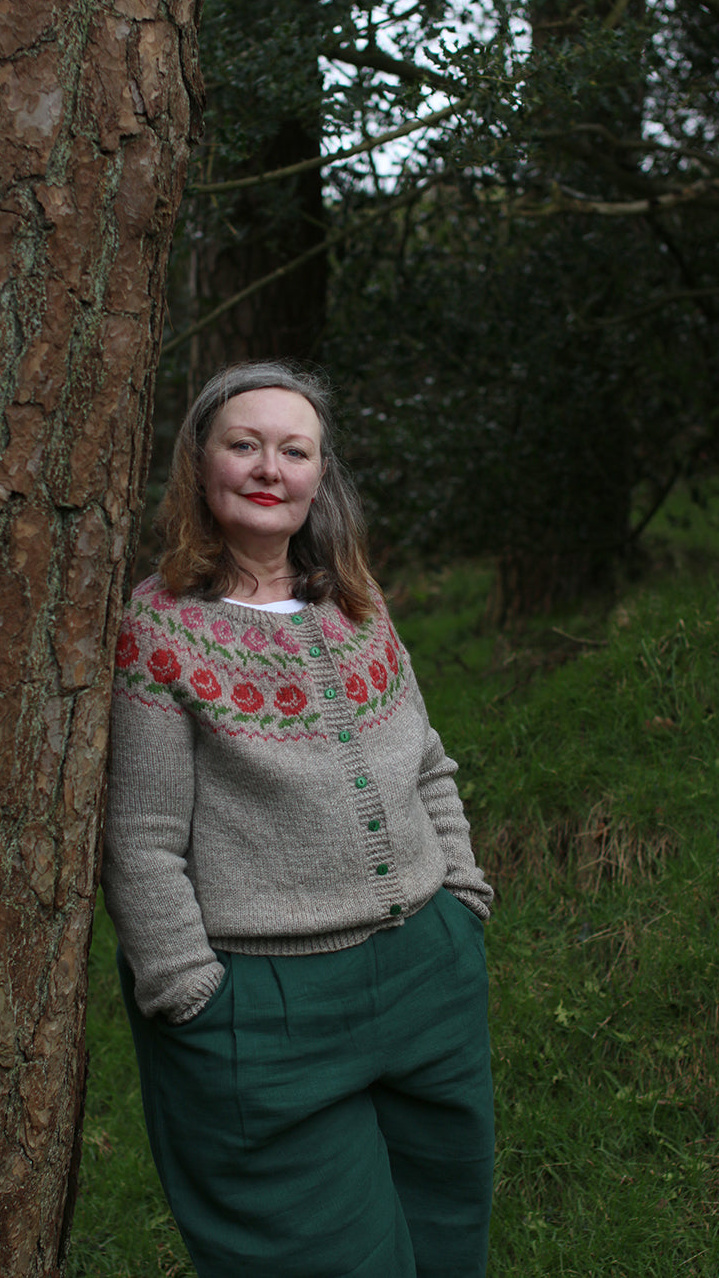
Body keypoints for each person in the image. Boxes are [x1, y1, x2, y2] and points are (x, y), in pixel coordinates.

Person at [102, 360, 495, 1278]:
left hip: (428, 976)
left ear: (320, 474)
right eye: (243, 444)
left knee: (447, 1244)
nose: (268, 467)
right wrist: (185, 990)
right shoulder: (160, 625)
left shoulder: (354, 601)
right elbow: (141, 834)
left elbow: (428, 761)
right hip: (263, 1006)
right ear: (200, 464)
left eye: (294, 449)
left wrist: (463, 898)